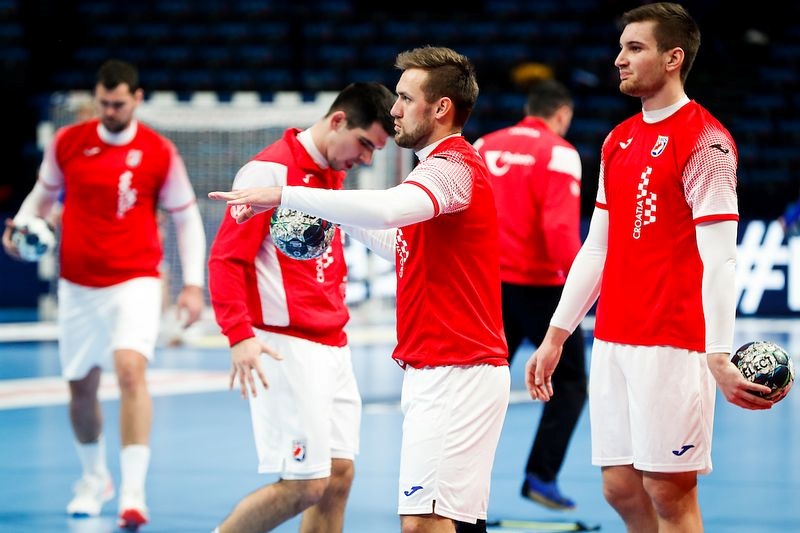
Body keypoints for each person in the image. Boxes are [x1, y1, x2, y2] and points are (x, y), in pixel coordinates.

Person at [209, 45, 510, 533]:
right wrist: (331, 211)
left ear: (440, 108)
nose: (394, 110)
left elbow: (390, 211)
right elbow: (398, 242)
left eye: (405, 98)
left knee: (421, 522)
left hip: (455, 368)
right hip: (441, 365)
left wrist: (287, 195)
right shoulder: (434, 172)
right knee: (446, 518)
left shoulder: (453, 166)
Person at [524, 3, 775, 531]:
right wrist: (555, 337)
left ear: (673, 58)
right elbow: (596, 250)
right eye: (621, 48)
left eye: (634, 48)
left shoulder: (706, 141)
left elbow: (721, 258)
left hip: (674, 343)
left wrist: (719, 354)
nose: (619, 59)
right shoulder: (617, 140)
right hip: (614, 338)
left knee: (668, 491)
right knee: (619, 488)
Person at [2, 59, 206, 529]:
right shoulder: (68, 143)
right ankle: (94, 478)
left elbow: (185, 217)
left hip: (135, 278)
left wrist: (192, 283)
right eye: (103, 103)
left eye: (118, 103)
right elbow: (41, 197)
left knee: (131, 371)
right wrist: (21, 231)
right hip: (77, 284)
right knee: (80, 386)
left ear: (136, 99)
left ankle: (133, 491)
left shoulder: (160, 151)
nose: (110, 110)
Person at [206, 81, 395, 533]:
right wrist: (239, 337)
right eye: (365, 144)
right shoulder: (267, 173)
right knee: (305, 484)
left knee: (338, 477)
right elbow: (226, 259)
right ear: (337, 122)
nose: (367, 159)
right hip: (286, 345)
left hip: (333, 343)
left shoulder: (332, 173)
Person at [473, 78, 586, 511]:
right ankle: (541, 477)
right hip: (542, 291)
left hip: (487, 289)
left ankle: (452, 479)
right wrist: (580, 286)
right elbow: (558, 230)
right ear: (561, 114)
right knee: (571, 382)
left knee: (478, 382)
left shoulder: (485, 145)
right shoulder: (559, 152)